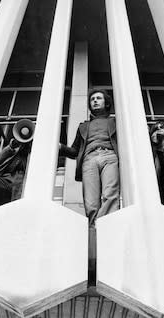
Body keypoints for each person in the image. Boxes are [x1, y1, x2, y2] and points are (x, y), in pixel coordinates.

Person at [59, 89, 120, 226]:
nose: (95, 101)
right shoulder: (83, 126)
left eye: (98, 98)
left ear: (107, 103)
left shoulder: (115, 121)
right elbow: (75, 151)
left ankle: (108, 226)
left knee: (110, 194)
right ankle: (94, 229)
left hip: (109, 156)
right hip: (89, 159)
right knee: (90, 202)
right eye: (92, 99)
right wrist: (61, 148)